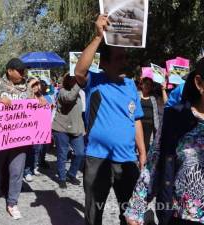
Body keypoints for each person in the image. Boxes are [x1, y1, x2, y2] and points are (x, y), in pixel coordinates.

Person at [74, 15, 146, 225]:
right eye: (118, 58)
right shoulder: (95, 81)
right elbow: (79, 70)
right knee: (94, 213)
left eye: (124, 57)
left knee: (131, 214)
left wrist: (142, 153)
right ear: (104, 63)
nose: (124, 61)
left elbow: (136, 120)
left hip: (127, 160)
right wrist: (98, 37)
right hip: (98, 159)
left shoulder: (132, 85)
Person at [125, 58, 204, 225]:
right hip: (181, 217)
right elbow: (154, 163)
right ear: (199, 83)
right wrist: (136, 207)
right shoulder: (175, 120)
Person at [0, 58, 46, 220]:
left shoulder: (28, 86)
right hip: (0, 137)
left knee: (17, 172)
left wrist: (40, 102)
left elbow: (35, 106)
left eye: (24, 71)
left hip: (22, 138)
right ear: (9, 70)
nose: (23, 74)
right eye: (20, 71)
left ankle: (12, 203)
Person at [52, 73, 85, 188]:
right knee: (63, 154)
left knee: (80, 152)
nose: (76, 82)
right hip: (61, 128)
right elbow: (69, 98)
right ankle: (62, 177)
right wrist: (79, 84)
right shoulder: (62, 92)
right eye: (74, 80)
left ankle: (71, 174)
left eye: (77, 81)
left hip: (76, 129)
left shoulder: (79, 93)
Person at [138, 77, 163, 151]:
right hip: (138, 123)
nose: (148, 86)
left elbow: (166, 103)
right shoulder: (136, 95)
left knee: (146, 143)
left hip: (149, 124)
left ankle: (143, 159)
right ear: (141, 85)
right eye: (146, 84)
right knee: (137, 142)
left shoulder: (154, 97)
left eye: (150, 85)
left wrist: (163, 88)